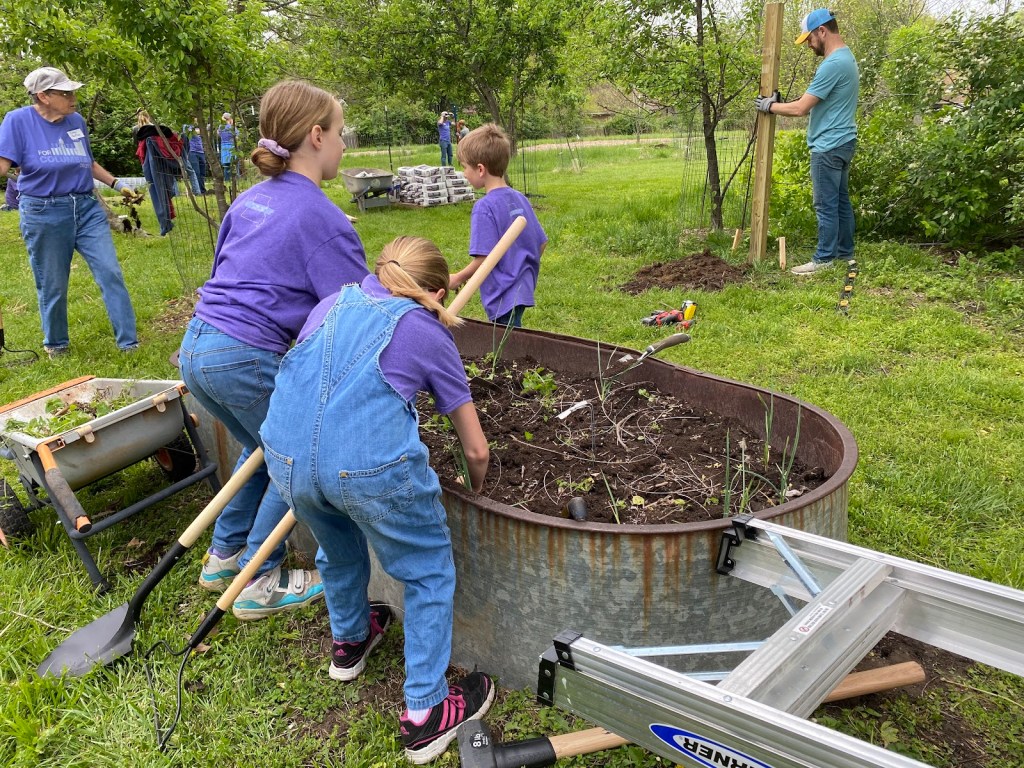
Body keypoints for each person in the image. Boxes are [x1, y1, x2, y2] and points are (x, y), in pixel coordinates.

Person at [259, 235, 494, 765]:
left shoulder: (330, 304)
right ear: (436, 291)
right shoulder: (425, 331)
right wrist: (479, 490)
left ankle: (350, 642)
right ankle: (426, 714)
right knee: (427, 571)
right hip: (368, 472)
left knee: (338, 550)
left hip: (288, 460)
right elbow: (475, 449)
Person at [178, 79, 370, 619]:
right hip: (245, 358)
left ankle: (223, 556)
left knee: (258, 447)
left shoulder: (250, 199)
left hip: (199, 348)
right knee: (295, 457)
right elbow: (354, 315)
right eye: (339, 133)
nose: (343, 144)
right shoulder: (322, 218)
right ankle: (257, 581)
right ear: (315, 135)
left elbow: (231, 272)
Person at [0, 66, 139, 357]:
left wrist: (117, 183)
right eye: (65, 93)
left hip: (86, 207)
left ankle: (129, 343)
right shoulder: (17, 121)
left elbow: (86, 162)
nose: (73, 97)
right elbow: (2, 165)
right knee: (53, 282)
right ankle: (57, 344)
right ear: (43, 96)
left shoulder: (75, 120)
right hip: (44, 211)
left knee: (110, 271)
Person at [755, 8, 859, 276]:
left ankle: (823, 260)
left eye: (810, 39)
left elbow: (801, 108)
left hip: (828, 145)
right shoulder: (847, 58)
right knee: (840, 201)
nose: (809, 45)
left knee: (826, 204)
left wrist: (770, 107)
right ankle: (844, 253)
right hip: (844, 140)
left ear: (822, 31)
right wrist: (778, 104)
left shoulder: (833, 64)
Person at [451, 124, 547, 328]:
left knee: (505, 344)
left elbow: (485, 259)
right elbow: (541, 242)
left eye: (464, 167)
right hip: (522, 286)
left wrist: (458, 278)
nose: (464, 174)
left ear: (480, 169)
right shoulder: (519, 198)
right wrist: (522, 268)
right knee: (512, 335)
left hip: (502, 292)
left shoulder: (484, 207)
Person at [132, 111, 180, 236]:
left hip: (150, 164)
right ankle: (166, 222)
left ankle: (165, 222)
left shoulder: (137, 131)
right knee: (162, 190)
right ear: (148, 117)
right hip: (159, 166)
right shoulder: (155, 131)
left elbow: (136, 146)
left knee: (157, 191)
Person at [182, 124, 208, 195]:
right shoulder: (186, 125)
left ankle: (202, 190)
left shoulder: (200, 123)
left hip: (201, 151)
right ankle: (197, 191)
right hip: (192, 152)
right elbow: (187, 132)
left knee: (202, 173)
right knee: (196, 172)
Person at [218, 112, 237, 183]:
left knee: (226, 165)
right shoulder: (232, 127)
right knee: (234, 164)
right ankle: (235, 180)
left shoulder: (220, 127)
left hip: (223, 146)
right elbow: (237, 136)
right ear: (230, 119)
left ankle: (227, 180)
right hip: (231, 146)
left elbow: (219, 134)